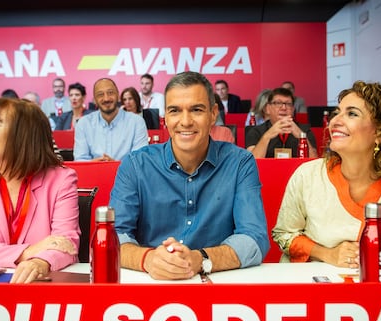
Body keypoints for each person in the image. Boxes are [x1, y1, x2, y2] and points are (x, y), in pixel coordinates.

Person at [109, 71, 269, 280]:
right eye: (175, 111)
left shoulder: (240, 163)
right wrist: (147, 259)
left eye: (196, 110)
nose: (185, 121)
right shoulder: (135, 165)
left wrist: (200, 259)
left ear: (213, 114)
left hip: (218, 286)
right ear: (165, 118)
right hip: (150, 283)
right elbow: (113, 237)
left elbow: (254, 238)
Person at [272, 80, 381, 268]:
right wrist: (328, 254)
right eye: (337, 112)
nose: (335, 121)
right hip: (310, 288)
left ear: (379, 133)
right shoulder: (308, 175)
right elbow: (283, 234)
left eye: (351, 114)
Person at [0, 98, 80, 283]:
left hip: (41, 288)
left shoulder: (62, 179)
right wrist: (27, 253)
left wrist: (40, 262)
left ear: (22, 134)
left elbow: (67, 245)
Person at [74, 78, 148, 161]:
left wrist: (114, 166)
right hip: (93, 173)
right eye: (100, 94)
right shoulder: (83, 124)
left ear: (118, 95)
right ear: (95, 100)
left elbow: (140, 160)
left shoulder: (136, 122)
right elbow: (80, 160)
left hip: (126, 174)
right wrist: (95, 165)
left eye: (110, 93)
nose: (106, 98)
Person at [245, 87, 318, 158]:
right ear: (267, 109)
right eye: (278, 103)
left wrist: (301, 136)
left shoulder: (304, 130)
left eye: (288, 104)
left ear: (293, 109)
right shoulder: (255, 131)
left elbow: (315, 161)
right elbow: (251, 163)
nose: (283, 108)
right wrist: (267, 136)